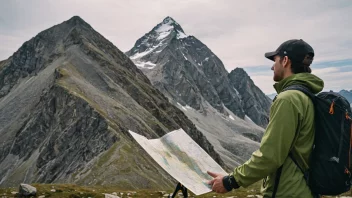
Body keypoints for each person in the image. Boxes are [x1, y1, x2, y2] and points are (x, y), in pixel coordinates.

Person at [207, 39, 324, 197]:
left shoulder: (288, 99)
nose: (272, 66)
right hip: (304, 190)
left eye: (275, 60)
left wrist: (230, 181)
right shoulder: (308, 96)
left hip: (288, 193)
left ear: (285, 60)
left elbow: (270, 156)